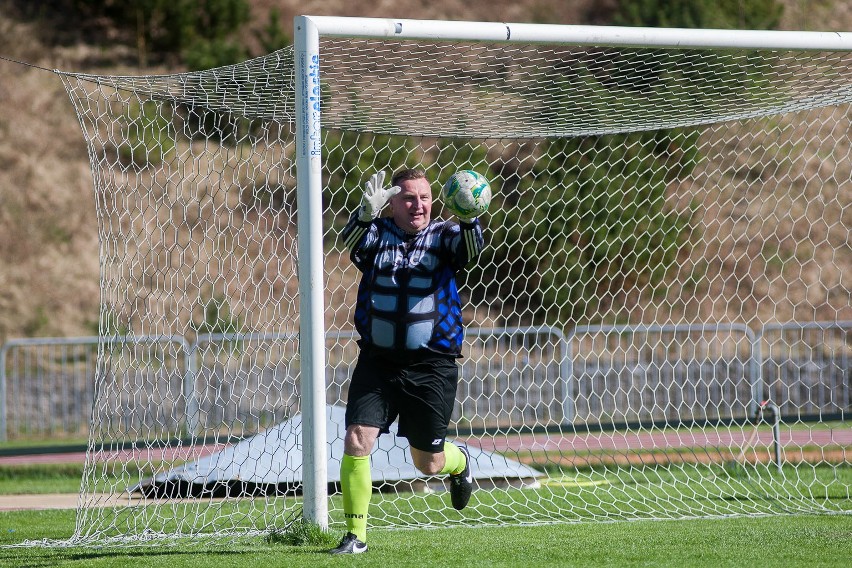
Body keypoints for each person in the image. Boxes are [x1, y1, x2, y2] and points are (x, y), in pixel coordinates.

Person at [330, 168, 485, 554]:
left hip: (432, 366)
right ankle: (355, 536)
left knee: (427, 463)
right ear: (392, 203)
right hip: (378, 361)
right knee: (356, 439)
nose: (418, 205)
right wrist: (363, 215)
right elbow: (349, 245)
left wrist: (469, 219)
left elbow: (470, 251)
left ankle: (458, 461)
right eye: (409, 198)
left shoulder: (447, 235)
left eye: (425, 198)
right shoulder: (377, 233)